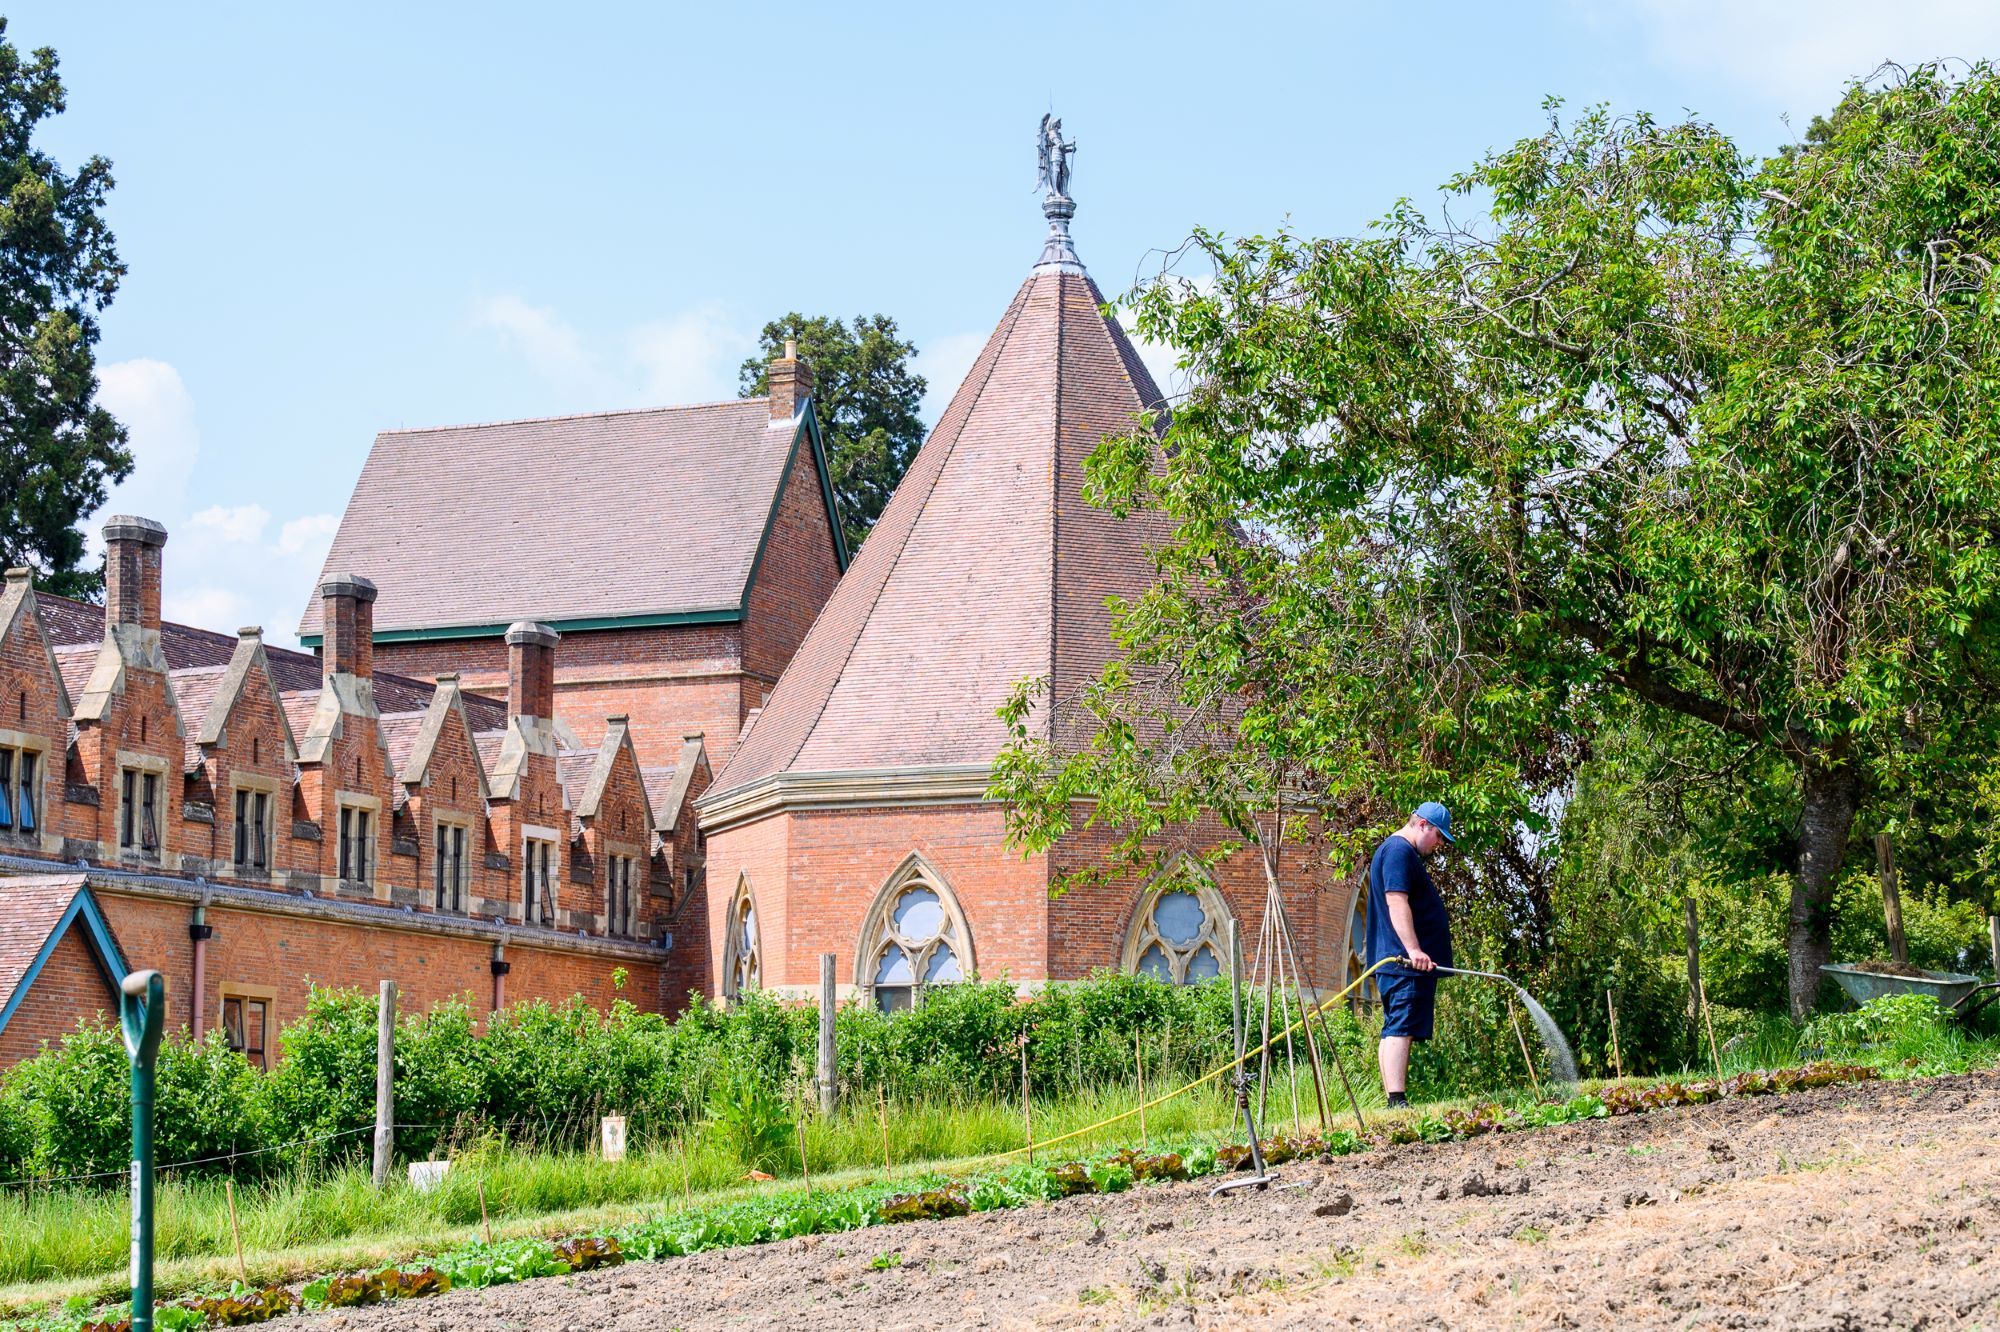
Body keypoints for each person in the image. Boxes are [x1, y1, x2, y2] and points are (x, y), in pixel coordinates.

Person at [1364, 801, 1455, 1110]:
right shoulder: (1399, 852)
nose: (1439, 844)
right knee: (1400, 1027)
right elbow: (1396, 901)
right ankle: (1396, 1100)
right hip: (1403, 962)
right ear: (1422, 825)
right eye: (1439, 836)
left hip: (1401, 961)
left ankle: (1394, 1097)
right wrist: (1414, 950)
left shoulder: (1398, 852)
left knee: (1396, 1026)